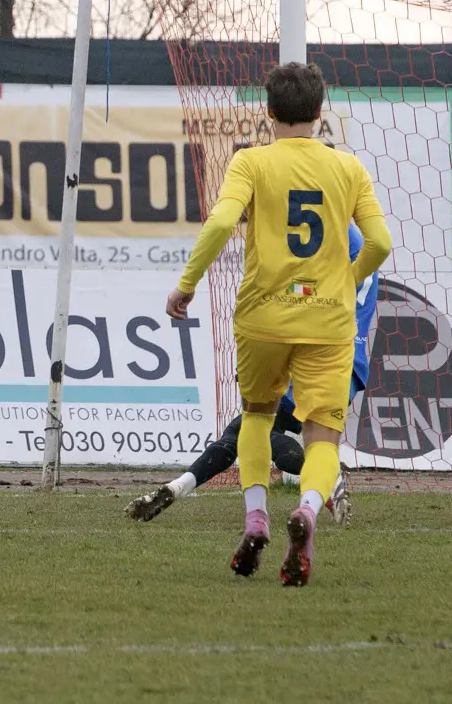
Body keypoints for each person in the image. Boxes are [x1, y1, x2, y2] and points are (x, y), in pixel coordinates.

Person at [166, 62, 391, 586]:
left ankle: (256, 520)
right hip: (328, 321)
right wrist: (345, 279)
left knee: (257, 417)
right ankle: (308, 510)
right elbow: (381, 243)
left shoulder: (250, 161)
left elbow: (222, 221)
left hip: (263, 317)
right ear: (319, 111)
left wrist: (187, 284)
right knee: (322, 439)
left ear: (268, 112)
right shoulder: (348, 168)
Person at [127, 223, 380, 527]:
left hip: (319, 355)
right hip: (348, 364)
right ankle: (177, 487)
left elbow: (305, 295)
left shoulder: (327, 234)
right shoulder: (353, 243)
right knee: (251, 430)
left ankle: (321, 479)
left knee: (256, 429)